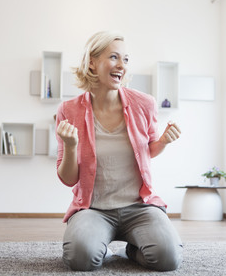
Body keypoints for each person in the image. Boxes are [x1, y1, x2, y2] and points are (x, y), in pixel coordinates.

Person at [55, 30, 183, 271]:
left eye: (125, 59)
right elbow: (68, 178)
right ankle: (99, 245)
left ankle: (132, 250)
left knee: (167, 259)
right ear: (91, 62)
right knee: (80, 258)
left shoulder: (144, 104)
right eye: (113, 57)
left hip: (139, 206)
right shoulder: (68, 110)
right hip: (93, 209)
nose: (121, 66)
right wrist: (71, 147)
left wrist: (163, 141)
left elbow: (147, 151)